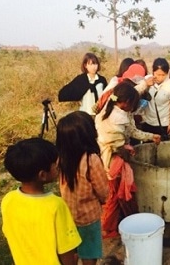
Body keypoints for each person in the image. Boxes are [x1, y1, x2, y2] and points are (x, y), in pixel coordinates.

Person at [95, 82, 161, 237]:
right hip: (112, 159)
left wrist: (145, 83)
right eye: (133, 103)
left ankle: (120, 220)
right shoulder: (118, 118)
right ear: (125, 103)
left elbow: (133, 92)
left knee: (117, 192)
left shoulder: (111, 102)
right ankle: (108, 227)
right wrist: (128, 149)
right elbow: (129, 134)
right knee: (115, 193)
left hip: (108, 152)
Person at [2, 138, 81, 265]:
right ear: (42, 175)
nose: (58, 166)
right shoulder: (55, 205)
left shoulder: (8, 200)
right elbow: (66, 250)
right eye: (55, 165)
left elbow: (10, 234)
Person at [56, 111, 109, 265]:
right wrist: (104, 201)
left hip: (68, 215)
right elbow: (102, 190)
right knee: (89, 253)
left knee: (72, 252)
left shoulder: (61, 158)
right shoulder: (90, 159)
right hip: (89, 217)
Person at [141, 58, 170, 141]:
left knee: (163, 150)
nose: (160, 77)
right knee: (148, 148)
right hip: (148, 122)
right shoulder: (146, 80)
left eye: (163, 75)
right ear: (153, 71)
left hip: (163, 124)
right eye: (157, 74)